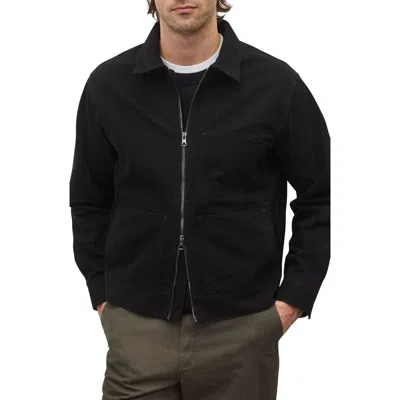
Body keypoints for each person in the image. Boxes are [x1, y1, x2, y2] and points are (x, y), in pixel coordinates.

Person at [69, 0, 331, 398]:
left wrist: (292, 300)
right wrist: (103, 296)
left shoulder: (276, 85)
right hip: (137, 331)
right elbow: (89, 199)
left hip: (241, 335)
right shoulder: (109, 86)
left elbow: (319, 196)